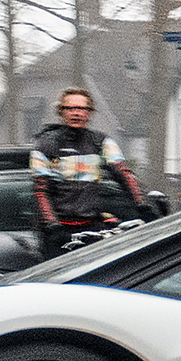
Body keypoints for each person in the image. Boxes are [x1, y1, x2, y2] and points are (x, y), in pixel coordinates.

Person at [30, 87, 148, 248]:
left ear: (90, 113)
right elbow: (40, 190)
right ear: (61, 112)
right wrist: (52, 225)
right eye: (70, 108)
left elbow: (124, 174)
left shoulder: (101, 142)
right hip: (57, 230)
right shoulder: (45, 144)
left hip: (91, 227)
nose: (76, 113)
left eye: (81, 108)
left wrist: (142, 204)